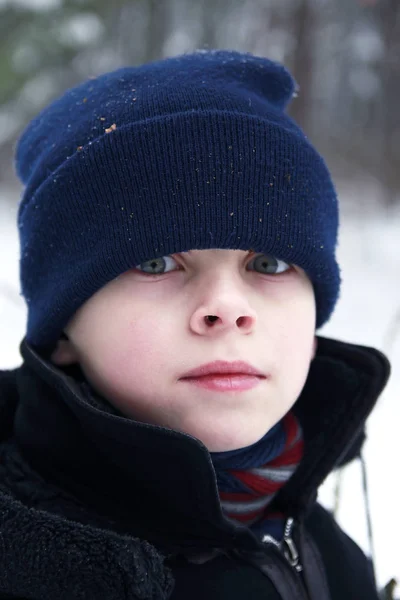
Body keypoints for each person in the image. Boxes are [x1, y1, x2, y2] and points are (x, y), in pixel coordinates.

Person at [0, 49, 391, 600]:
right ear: (64, 328)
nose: (227, 307)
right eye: (158, 263)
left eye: (269, 263)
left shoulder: (313, 530)